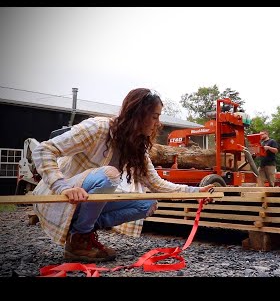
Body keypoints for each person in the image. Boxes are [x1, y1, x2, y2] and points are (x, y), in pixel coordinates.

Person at [31, 88, 215, 263]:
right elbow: (43, 150)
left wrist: (196, 191)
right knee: (110, 174)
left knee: (148, 203)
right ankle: (79, 240)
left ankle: (82, 230)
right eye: (154, 117)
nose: (158, 123)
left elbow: (157, 185)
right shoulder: (98, 127)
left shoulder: (135, 146)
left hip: (84, 202)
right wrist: (63, 187)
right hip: (61, 197)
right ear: (138, 115)